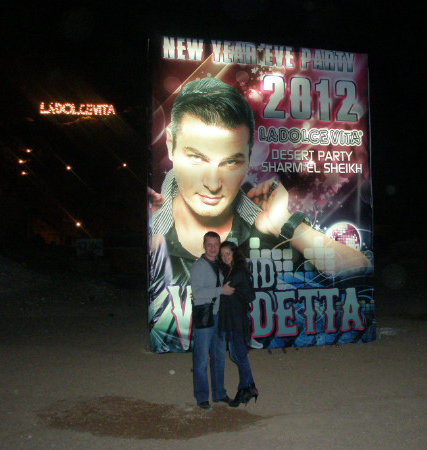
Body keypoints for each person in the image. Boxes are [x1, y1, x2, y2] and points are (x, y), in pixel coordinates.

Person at [148, 77, 372, 352]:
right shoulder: (153, 232)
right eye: (197, 158)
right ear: (170, 144)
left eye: (231, 162)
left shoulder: (265, 231)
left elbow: (359, 275)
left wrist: (288, 225)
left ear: (248, 157)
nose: (213, 183)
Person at [190, 231, 235, 410]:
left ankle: (219, 393)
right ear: (204, 245)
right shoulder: (198, 266)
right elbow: (197, 293)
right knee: (201, 359)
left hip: (219, 316)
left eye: (216, 244)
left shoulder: (220, 265)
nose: (213, 248)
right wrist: (220, 291)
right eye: (209, 244)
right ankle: (202, 397)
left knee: (219, 358)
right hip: (205, 317)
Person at [217, 240, 258, 407]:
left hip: (236, 318)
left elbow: (231, 292)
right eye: (222, 255)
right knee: (236, 355)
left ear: (234, 253)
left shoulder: (238, 271)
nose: (225, 257)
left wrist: (213, 292)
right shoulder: (229, 270)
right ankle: (251, 386)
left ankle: (243, 389)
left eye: (228, 253)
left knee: (238, 355)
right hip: (231, 316)